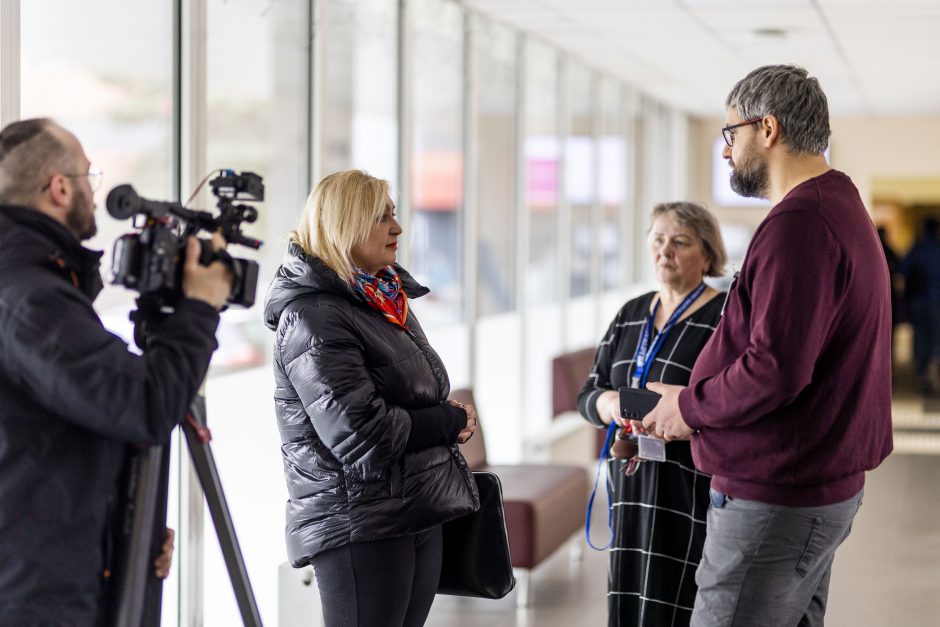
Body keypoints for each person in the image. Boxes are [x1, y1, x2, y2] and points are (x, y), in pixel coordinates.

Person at [642, 65, 893, 626]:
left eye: (731, 134)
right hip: (805, 486)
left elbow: (775, 368)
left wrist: (687, 408)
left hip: (776, 494)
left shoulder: (801, 224)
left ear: (768, 129)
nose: (726, 151)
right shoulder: (839, 206)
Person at [0, 118, 233, 626]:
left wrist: (124, 533)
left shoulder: (30, 282)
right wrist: (198, 308)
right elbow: (144, 405)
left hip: (48, 575)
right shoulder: (29, 297)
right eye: (89, 175)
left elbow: (45, 439)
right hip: (36, 598)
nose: (93, 188)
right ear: (59, 188)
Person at [264, 169, 479, 627]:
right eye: (382, 217)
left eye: (394, 214)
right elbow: (360, 434)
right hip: (360, 523)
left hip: (413, 506)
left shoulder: (383, 297)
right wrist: (448, 421)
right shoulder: (312, 317)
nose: (397, 228)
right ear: (344, 225)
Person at [577, 201, 728, 626]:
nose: (666, 250)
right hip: (630, 486)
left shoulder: (723, 318)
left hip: (690, 487)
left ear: (707, 254)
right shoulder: (630, 314)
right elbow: (589, 392)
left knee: (681, 598)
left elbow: (730, 400)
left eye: (680, 242)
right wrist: (606, 405)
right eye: (658, 240)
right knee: (629, 596)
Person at [901, 217, 940, 393]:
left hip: (918, 301)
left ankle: (921, 372)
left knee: (920, 336)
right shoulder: (937, 249)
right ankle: (931, 368)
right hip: (936, 302)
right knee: (934, 337)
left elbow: (903, 269)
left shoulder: (917, 249)